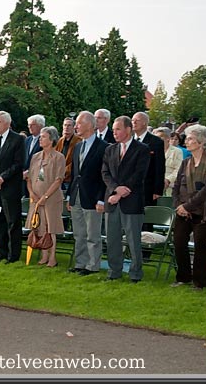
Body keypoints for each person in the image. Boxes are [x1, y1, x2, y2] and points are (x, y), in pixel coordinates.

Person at [101, 116, 150, 283]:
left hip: (132, 201)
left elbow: (139, 174)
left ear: (128, 130)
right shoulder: (110, 149)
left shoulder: (141, 149)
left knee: (133, 239)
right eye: (113, 130)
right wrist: (115, 189)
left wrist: (121, 193)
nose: (114, 133)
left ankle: (136, 273)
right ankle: (114, 271)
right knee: (112, 238)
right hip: (112, 201)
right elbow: (105, 173)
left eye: (118, 129)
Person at [171, 124, 206, 291]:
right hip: (183, 210)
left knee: (200, 245)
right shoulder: (185, 162)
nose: (187, 141)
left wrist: (188, 206)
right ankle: (183, 277)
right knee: (179, 242)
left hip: (203, 210)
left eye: (190, 138)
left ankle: (200, 281)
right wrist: (178, 206)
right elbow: (176, 187)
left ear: (201, 142)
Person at [66, 111, 109, 275]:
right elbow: (75, 173)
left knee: (93, 234)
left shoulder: (104, 147)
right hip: (77, 195)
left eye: (78, 123)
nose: (75, 126)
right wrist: (70, 195)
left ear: (90, 125)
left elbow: (104, 176)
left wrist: (101, 199)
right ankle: (80, 263)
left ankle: (93, 265)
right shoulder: (78, 146)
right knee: (79, 233)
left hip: (93, 197)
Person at [24, 126, 65, 267]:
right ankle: (44, 256)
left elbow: (58, 180)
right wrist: (31, 193)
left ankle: (52, 258)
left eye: (44, 137)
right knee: (39, 227)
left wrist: (45, 197)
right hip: (35, 198)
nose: (40, 139)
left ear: (52, 139)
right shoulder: (35, 157)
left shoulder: (59, 157)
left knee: (50, 228)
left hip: (51, 199)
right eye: (40, 136)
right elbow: (29, 177)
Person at [0, 110, 24, 263]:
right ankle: (0, 253)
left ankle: (13, 255)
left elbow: (18, 164)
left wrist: (2, 178)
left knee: (12, 222)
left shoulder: (17, 140)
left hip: (10, 188)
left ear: (8, 123)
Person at [132, 111, 166, 207]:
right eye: (132, 120)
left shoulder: (156, 142)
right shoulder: (128, 140)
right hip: (129, 189)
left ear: (145, 123)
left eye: (137, 120)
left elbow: (159, 167)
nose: (134, 123)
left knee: (146, 218)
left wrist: (157, 190)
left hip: (147, 188)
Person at [153, 127, 183, 196]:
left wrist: (168, 180)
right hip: (154, 187)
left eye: (160, 137)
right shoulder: (152, 150)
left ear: (167, 138)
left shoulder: (177, 151)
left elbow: (179, 169)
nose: (157, 139)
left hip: (171, 187)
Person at [55, 117, 82, 192]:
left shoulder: (79, 141)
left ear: (74, 127)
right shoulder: (60, 141)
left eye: (69, 125)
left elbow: (76, 161)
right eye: (65, 125)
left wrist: (63, 172)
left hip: (70, 179)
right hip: (58, 178)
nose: (66, 127)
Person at [22, 114, 44, 197]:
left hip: (38, 179)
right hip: (25, 180)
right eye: (29, 125)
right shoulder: (27, 140)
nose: (30, 127)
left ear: (40, 126)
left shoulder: (45, 140)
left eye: (32, 125)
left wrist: (29, 171)